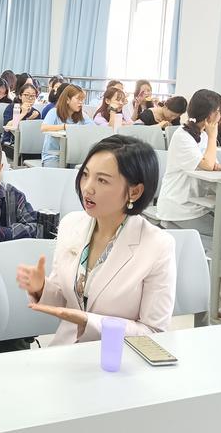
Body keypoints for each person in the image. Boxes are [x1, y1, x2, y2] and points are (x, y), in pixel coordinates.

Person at [17, 136, 176, 343]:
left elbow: (153, 331)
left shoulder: (158, 246)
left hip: (120, 355)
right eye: (85, 175)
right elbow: (64, 300)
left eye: (102, 180)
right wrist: (41, 288)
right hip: (67, 351)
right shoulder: (71, 224)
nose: (87, 188)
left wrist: (89, 321)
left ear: (134, 192)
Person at [155, 89, 221, 319]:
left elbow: (211, 163)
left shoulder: (201, 135)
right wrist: (214, 137)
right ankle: (210, 293)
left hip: (196, 204)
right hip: (179, 206)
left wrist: (213, 158)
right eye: (220, 111)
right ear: (210, 113)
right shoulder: (182, 137)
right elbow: (206, 164)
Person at [40, 84, 93, 168]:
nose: (81, 102)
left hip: (74, 155)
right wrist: (64, 127)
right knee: (57, 175)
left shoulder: (82, 115)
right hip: (53, 155)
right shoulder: (54, 112)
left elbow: (93, 128)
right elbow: (44, 128)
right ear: (67, 100)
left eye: (82, 100)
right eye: (78, 99)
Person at [2, 83, 40, 159]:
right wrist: (23, 113)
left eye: (33, 96)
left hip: (29, 146)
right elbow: (7, 127)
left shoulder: (35, 113)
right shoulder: (13, 108)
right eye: (26, 95)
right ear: (20, 96)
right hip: (11, 144)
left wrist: (29, 119)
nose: (30, 98)